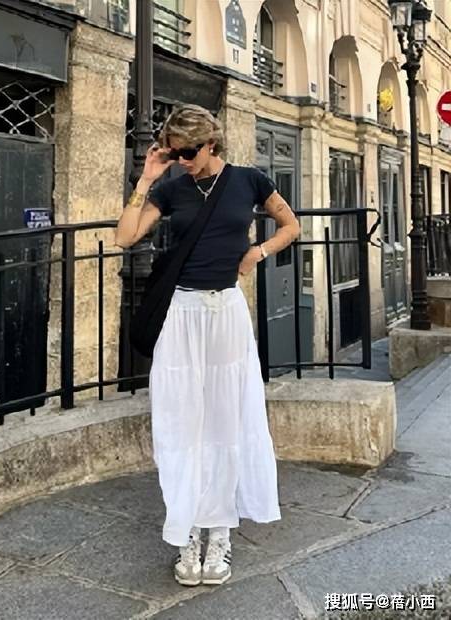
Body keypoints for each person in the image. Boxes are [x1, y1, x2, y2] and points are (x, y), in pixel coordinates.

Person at [115, 104, 300, 587]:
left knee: (225, 420)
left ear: (211, 143)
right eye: (175, 152)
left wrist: (257, 252)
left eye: (189, 151)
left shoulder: (249, 180)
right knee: (181, 422)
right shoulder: (171, 188)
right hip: (181, 313)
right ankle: (188, 529)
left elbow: (291, 226)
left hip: (226, 313)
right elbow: (125, 236)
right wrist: (147, 177)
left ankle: (219, 531)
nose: (182, 159)